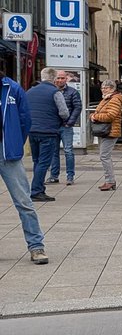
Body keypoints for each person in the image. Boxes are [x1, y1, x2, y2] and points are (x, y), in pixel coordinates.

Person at [0, 58, 48, 263]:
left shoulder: (12, 88)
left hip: (8, 153)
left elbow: (25, 119)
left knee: (24, 202)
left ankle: (36, 246)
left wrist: (15, 142)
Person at [27, 67, 70, 201]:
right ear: (54, 78)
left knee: (36, 161)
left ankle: (38, 188)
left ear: (42, 77)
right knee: (44, 162)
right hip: (48, 131)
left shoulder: (29, 92)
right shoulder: (55, 92)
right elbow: (64, 112)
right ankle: (36, 191)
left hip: (32, 130)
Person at [48, 70, 82, 186]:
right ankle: (54, 176)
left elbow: (77, 107)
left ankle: (70, 176)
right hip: (53, 126)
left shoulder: (73, 92)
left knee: (68, 151)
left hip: (66, 126)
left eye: (62, 78)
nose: (60, 80)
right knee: (54, 152)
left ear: (66, 79)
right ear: (54, 79)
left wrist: (70, 122)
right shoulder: (51, 91)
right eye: (58, 78)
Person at [91, 80, 122, 191]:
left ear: (112, 89)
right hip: (105, 131)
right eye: (102, 88)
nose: (103, 90)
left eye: (106, 88)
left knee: (104, 156)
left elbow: (111, 115)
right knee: (104, 156)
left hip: (110, 131)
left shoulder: (114, 99)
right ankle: (109, 181)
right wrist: (93, 115)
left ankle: (110, 181)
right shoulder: (107, 98)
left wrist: (95, 117)